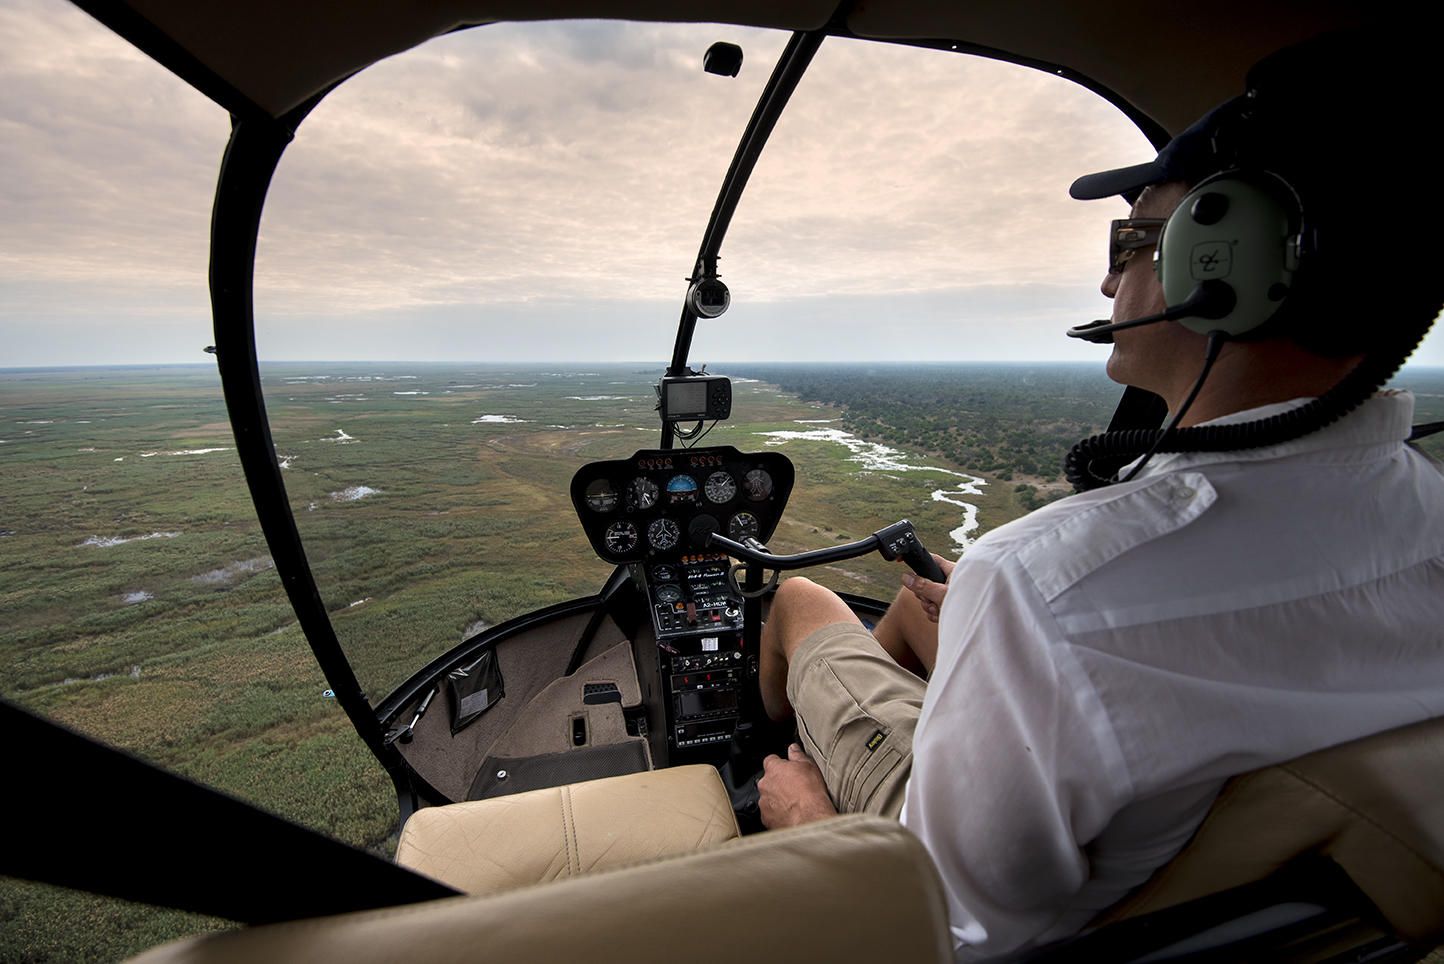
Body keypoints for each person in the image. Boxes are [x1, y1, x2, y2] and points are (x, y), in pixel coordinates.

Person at [753, 33, 1444, 960]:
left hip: (950, 888)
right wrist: (1011, 638)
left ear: (1224, 260)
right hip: (1225, 900)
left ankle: (787, 751)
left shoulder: (1041, 585)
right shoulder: (1426, 523)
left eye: (1132, 239)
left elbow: (944, 935)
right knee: (931, 620)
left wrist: (805, 823)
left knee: (801, 601)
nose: (1109, 279)